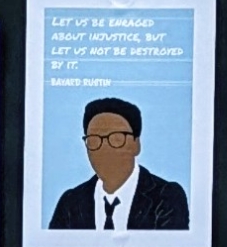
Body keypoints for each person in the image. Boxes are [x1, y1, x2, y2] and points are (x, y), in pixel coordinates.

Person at [48, 96, 190, 234]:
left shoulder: (166, 197)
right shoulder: (70, 202)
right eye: (94, 140)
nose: (105, 149)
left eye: (117, 139)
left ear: (136, 144)